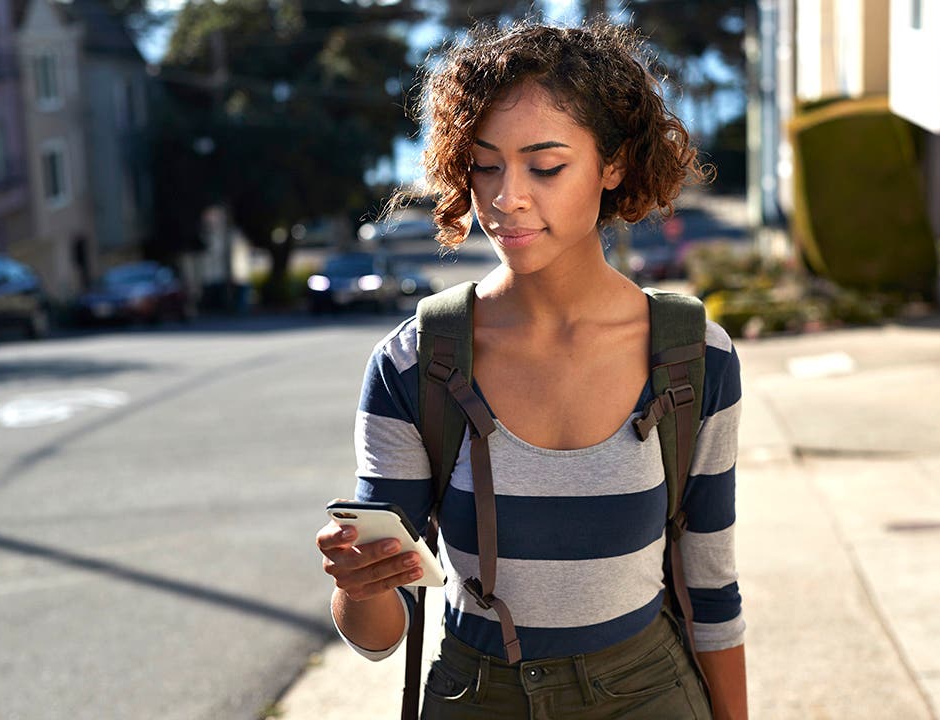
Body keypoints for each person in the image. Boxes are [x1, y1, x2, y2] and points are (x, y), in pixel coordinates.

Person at [316, 20, 746, 719]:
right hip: (475, 696)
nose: (505, 197)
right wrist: (360, 585)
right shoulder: (413, 360)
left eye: (545, 166)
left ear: (612, 165)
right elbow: (378, 637)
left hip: (651, 695)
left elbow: (711, 587)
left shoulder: (695, 355)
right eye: (485, 164)